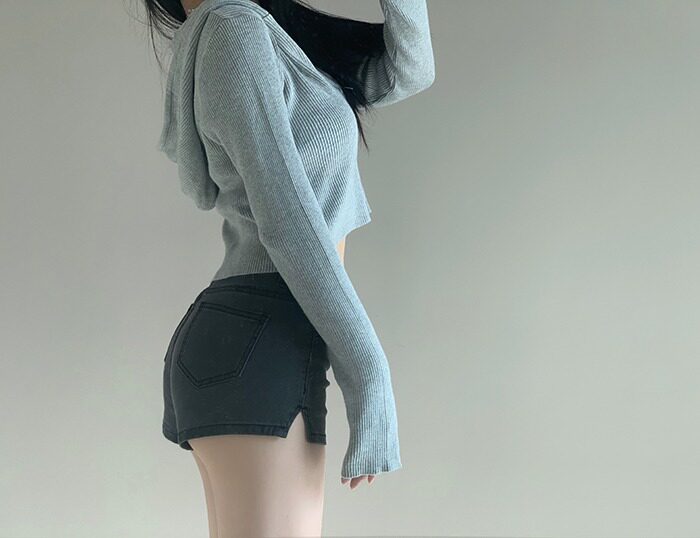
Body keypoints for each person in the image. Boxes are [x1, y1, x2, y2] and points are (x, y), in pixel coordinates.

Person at [146, 0, 434, 534]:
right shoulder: (232, 30)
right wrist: (369, 373)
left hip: (261, 334)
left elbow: (409, 70)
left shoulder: (268, 38)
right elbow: (285, 218)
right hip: (264, 332)